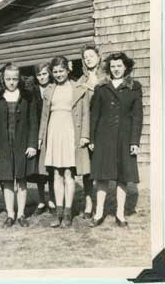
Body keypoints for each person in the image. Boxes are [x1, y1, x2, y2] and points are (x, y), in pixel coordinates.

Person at [89, 52, 143, 228]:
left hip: (125, 138)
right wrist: (92, 138)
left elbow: (137, 117)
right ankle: (98, 214)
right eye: (113, 66)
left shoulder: (134, 87)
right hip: (103, 137)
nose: (116, 69)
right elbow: (94, 114)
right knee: (102, 177)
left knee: (122, 177)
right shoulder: (101, 88)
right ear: (108, 68)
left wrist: (134, 142)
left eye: (119, 66)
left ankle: (120, 214)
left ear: (126, 67)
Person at [39, 56, 90, 228]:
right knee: (56, 174)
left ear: (68, 70)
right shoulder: (49, 90)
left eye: (61, 71)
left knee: (69, 173)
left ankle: (68, 212)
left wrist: (85, 135)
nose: (59, 74)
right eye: (55, 72)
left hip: (70, 132)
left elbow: (85, 114)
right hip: (53, 132)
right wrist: (40, 137)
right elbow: (44, 117)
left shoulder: (78, 88)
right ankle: (58, 212)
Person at [0, 63, 38, 228]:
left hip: (22, 144)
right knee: (7, 181)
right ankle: (10, 214)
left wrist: (32, 144)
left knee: (21, 180)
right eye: (8, 79)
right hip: (3, 145)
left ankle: (21, 214)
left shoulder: (27, 97)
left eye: (14, 79)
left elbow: (33, 123)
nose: (11, 82)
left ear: (19, 79)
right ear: (3, 79)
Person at [75, 45, 106, 219]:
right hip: (87, 127)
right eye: (85, 57)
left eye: (91, 56)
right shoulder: (80, 80)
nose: (88, 59)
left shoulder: (106, 78)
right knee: (87, 168)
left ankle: (101, 205)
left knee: (101, 166)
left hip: (103, 127)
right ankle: (88, 202)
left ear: (98, 57)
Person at [30, 63, 55, 215]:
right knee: (39, 169)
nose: (42, 77)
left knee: (51, 167)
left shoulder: (54, 88)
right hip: (37, 132)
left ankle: (52, 199)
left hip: (52, 131)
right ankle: (41, 200)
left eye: (44, 74)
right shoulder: (32, 91)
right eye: (39, 75)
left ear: (49, 74)